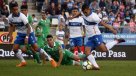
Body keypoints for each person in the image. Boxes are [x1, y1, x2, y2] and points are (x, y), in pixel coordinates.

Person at [70, 4, 125, 70]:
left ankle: (116, 41)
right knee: (87, 52)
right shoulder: (83, 12)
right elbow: (79, 13)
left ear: (88, 9)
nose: (84, 13)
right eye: (83, 12)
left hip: (96, 35)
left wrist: (112, 30)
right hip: (90, 37)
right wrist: (73, 17)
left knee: (104, 50)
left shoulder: (94, 17)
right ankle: (96, 66)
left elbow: (104, 24)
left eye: (85, 12)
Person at [8, 2, 57, 67]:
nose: (16, 11)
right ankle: (23, 62)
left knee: (36, 48)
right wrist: (10, 35)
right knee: (14, 49)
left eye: (17, 9)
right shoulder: (10, 17)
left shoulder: (22, 16)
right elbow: (11, 26)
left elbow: (28, 27)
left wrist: (27, 37)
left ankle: (51, 59)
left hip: (29, 33)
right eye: (14, 10)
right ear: (11, 9)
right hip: (20, 34)